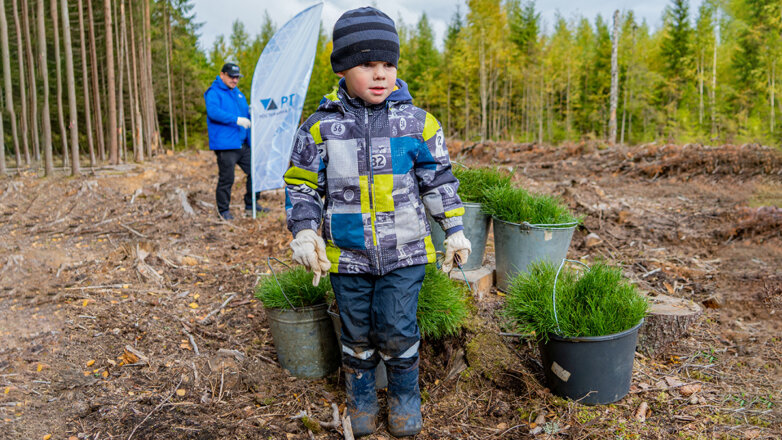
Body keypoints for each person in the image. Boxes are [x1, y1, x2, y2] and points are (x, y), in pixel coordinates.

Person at [283, 7, 471, 437]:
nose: (380, 74)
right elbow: (301, 184)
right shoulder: (320, 128)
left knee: (396, 326)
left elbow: (438, 179)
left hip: (404, 251)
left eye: (388, 64)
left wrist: (454, 228)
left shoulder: (418, 124)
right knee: (355, 330)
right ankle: (361, 397)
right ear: (343, 67)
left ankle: (405, 395)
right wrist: (305, 230)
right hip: (347, 254)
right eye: (368, 64)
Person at [204, 62, 268, 220]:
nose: (234, 80)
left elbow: (245, 113)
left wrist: (252, 112)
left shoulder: (238, 94)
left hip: (242, 143)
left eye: (237, 77)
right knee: (227, 178)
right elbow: (213, 112)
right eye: (232, 76)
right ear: (222, 75)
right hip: (225, 144)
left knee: (256, 171)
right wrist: (236, 119)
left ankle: (251, 205)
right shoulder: (214, 92)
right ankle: (223, 211)